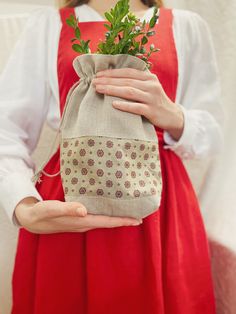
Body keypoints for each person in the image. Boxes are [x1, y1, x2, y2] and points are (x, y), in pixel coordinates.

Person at [0, 0, 223, 313]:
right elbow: (6, 130)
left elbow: (216, 136)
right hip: (69, 209)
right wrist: (23, 206)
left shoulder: (186, 26)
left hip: (162, 209)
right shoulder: (48, 25)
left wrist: (171, 113)